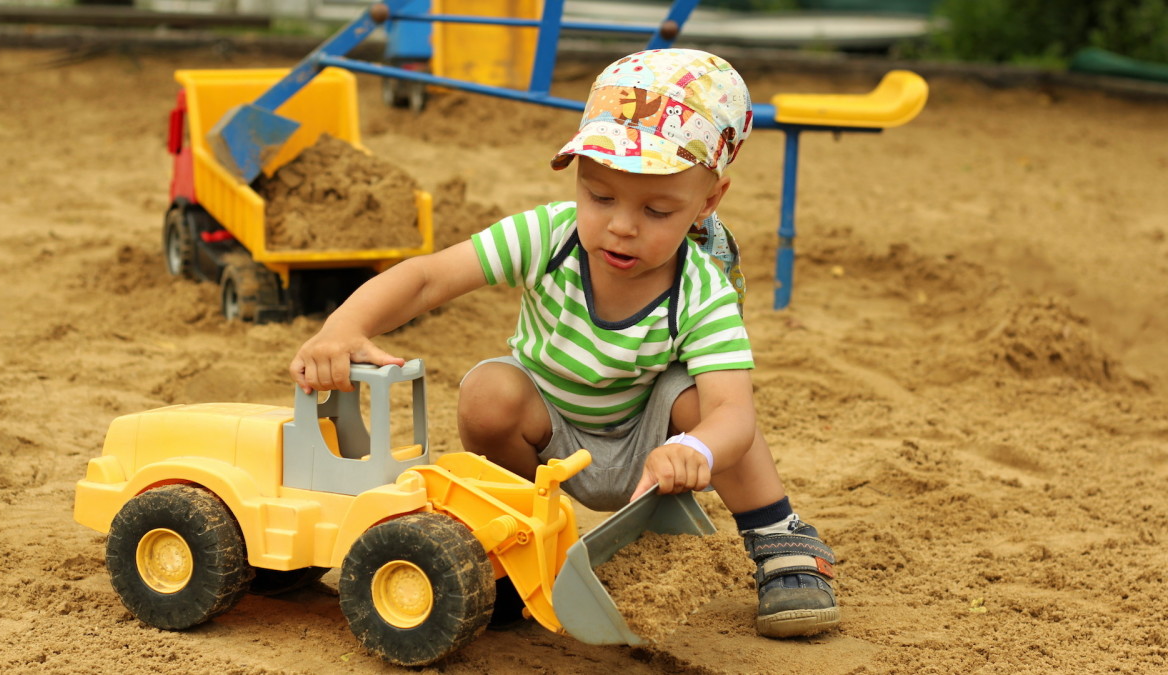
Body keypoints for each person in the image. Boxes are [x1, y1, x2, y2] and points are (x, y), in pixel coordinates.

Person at [290, 48, 839, 639]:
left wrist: (698, 450)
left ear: (708, 202)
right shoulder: (548, 237)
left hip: (650, 443)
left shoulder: (702, 288)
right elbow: (428, 277)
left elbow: (734, 412)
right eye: (600, 197)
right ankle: (517, 542)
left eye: (657, 209)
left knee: (704, 406)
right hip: (550, 431)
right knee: (487, 390)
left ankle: (779, 536)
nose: (621, 225)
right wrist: (344, 327)